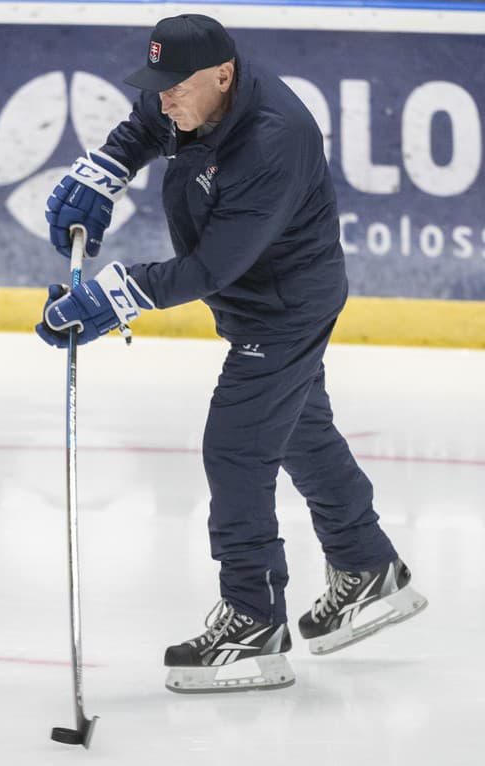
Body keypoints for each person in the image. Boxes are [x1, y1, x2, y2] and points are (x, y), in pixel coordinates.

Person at [36, 14, 428, 693]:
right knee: (301, 429)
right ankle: (366, 566)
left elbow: (210, 267)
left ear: (224, 75)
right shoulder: (184, 92)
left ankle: (253, 620)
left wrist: (116, 296)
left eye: (175, 88)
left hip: (282, 306)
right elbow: (142, 127)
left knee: (237, 445)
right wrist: (105, 171)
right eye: (155, 85)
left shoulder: (274, 140)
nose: (164, 100)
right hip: (257, 297)